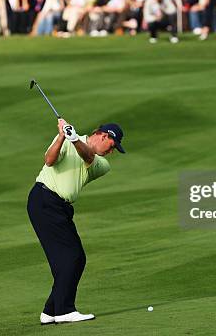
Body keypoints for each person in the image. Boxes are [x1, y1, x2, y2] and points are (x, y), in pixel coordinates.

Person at [27, 119, 125, 325]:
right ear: (104, 136)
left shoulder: (102, 164)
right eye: (112, 146)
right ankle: (64, 310)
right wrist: (63, 136)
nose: (111, 152)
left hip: (59, 208)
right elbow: (49, 160)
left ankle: (51, 310)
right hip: (45, 200)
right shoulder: (66, 137)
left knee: (74, 259)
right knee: (71, 257)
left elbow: (87, 155)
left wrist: (73, 139)